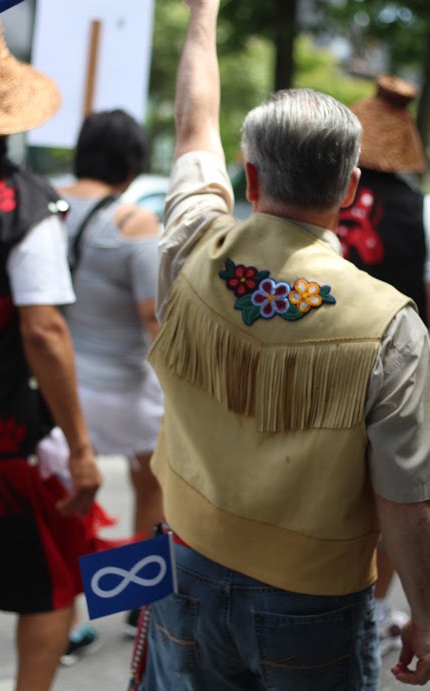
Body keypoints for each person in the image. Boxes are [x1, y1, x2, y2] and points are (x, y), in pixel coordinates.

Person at [137, 0, 430, 689]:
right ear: (350, 188)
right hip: (311, 601)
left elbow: (191, 126)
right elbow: (403, 498)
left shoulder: (192, 247)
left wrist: (202, 16)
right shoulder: (390, 326)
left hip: (180, 563)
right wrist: (423, 608)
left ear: (250, 177)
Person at [0, 17, 103, 691]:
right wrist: (80, 447)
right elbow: (43, 331)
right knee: (47, 589)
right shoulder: (21, 204)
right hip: (1, 444)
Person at [58, 110, 164, 649]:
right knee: (154, 482)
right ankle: (132, 603)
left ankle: (70, 617)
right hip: (125, 388)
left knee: (66, 494)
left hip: (58, 385)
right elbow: (154, 318)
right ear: (131, 163)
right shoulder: (134, 222)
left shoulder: (44, 205)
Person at [337, 74, 428, 658]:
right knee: (398, 488)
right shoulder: (409, 204)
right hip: (392, 352)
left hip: (319, 344)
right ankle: (372, 607)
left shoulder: (327, 189)